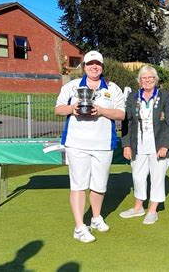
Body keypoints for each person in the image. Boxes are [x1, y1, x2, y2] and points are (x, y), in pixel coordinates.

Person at [55, 50, 125, 243]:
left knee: (99, 185)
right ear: (84, 66)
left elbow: (121, 114)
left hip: (103, 144)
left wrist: (102, 110)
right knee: (78, 185)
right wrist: (72, 109)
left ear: (102, 67)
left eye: (98, 64)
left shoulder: (112, 88)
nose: (94, 67)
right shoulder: (72, 86)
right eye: (90, 64)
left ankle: (95, 218)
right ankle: (79, 227)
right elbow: (58, 108)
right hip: (76, 143)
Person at [120, 65, 169, 225]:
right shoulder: (133, 96)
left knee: (157, 177)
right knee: (137, 176)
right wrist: (126, 145)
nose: (147, 80)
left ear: (155, 79)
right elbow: (127, 122)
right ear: (139, 81)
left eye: (150, 77)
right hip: (137, 144)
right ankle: (138, 207)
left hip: (158, 144)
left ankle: (152, 210)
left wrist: (166, 145)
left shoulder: (165, 95)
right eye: (143, 78)